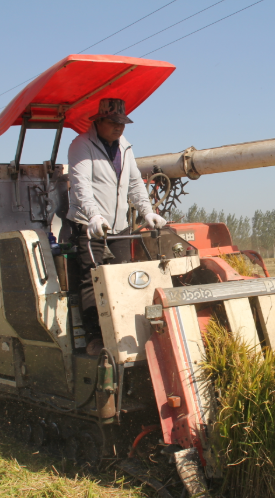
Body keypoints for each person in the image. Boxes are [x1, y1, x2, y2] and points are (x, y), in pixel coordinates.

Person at [67, 98, 166, 350]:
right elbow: (81, 187)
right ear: (98, 120)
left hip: (119, 226)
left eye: (122, 123)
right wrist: (93, 215)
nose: (119, 127)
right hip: (89, 225)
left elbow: (134, 184)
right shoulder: (81, 145)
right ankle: (95, 339)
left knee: (124, 277)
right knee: (93, 279)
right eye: (113, 122)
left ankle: (123, 335)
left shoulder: (125, 147)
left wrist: (147, 212)